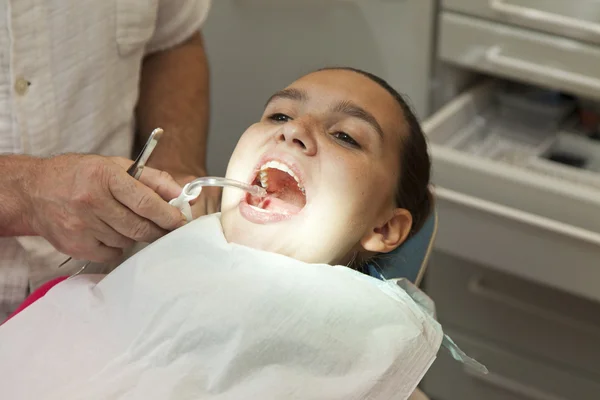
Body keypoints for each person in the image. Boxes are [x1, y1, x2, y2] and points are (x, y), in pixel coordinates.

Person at [1, 67, 440, 400]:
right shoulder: (75, 298)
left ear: (384, 228)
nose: (294, 131)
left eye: (345, 136)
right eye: (280, 114)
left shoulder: (371, 370)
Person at [0, 0, 220, 321]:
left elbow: (173, 41)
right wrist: (24, 194)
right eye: (279, 116)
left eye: (325, 133)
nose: (293, 134)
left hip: (107, 295)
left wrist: (178, 164)